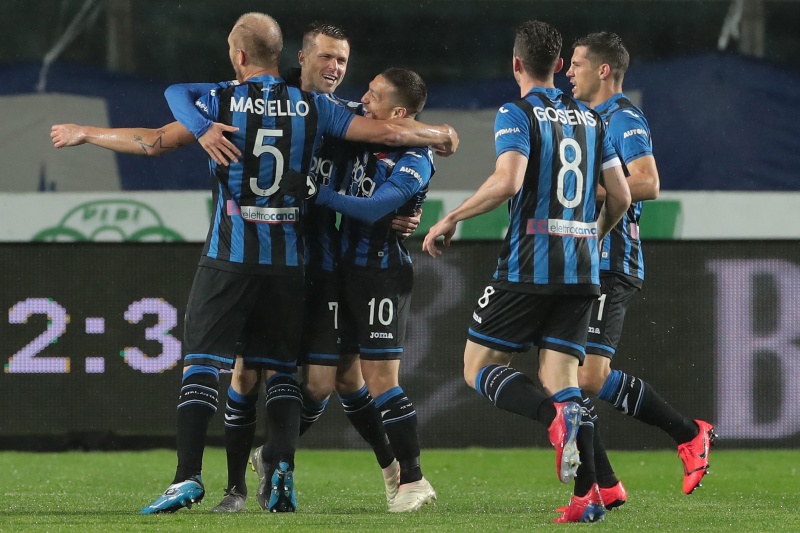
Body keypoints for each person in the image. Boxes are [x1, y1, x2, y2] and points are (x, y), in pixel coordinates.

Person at [54, 11, 457, 515]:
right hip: (293, 261)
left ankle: (240, 474)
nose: (336, 67)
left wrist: (416, 179)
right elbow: (396, 133)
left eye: (343, 60)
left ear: (240, 55)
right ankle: (254, 482)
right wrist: (440, 135)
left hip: (289, 258)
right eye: (327, 57)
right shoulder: (316, 109)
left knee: (309, 376)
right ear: (299, 57)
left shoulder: (259, 102)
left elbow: (163, 123)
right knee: (284, 374)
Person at [422, 21, 630, 524]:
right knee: (561, 378)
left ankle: (551, 418)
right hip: (583, 271)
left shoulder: (516, 112)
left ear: (516, 64)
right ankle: (588, 498)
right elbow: (621, 197)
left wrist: (452, 217)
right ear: (559, 65)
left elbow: (508, 181)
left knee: (476, 366)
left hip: (529, 265)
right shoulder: (592, 118)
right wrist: (592, 236)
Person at [565, 31, 716, 498]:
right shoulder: (587, 119)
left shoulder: (623, 117)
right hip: (583, 259)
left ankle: (688, 432)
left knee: (585, 376)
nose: (568, 72)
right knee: (565, 376)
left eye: (577, 64)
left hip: (611, 261)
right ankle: (606, 484)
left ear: (603, 70)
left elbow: (648, 182)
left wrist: (584, 191)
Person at [281, 67, 438, 513]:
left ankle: (413, 479)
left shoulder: (416, 157)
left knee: (381, 380)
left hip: (381, 276)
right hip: (344, 274)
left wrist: (316, 193)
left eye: (374, 94)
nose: (363, 99)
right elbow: (335, 109)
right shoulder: (363, 131)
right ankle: (278, 453)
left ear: (399, 113)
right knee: (339, 378)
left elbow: (375, 209)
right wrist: (446, 131)